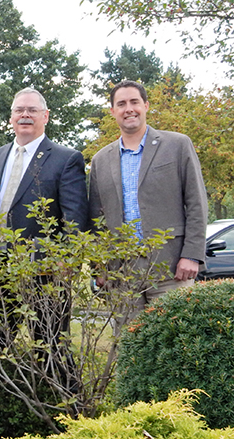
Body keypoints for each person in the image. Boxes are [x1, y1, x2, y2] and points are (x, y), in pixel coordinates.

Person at [0, 87, 89, 390]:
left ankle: (64, 409)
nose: (25, 115)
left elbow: (74, 218)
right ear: (11, 117)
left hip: (46, 272)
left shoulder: (65, 159)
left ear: (45, 116)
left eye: (32, 110)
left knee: (50, 345)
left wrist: (66, 262)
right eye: (19, 110)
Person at [89, 79, 208, 308]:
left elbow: (196, 203)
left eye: (134, 102)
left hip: (172, 268)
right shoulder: (100, 160)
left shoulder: (178, 145)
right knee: (127, 342)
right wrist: (100, 268)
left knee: (170, 340)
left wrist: (192, 255)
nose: (129, 109)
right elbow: (97, 220)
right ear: (113, 111)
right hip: (122, 273)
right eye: (121, 104)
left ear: (146, 105)